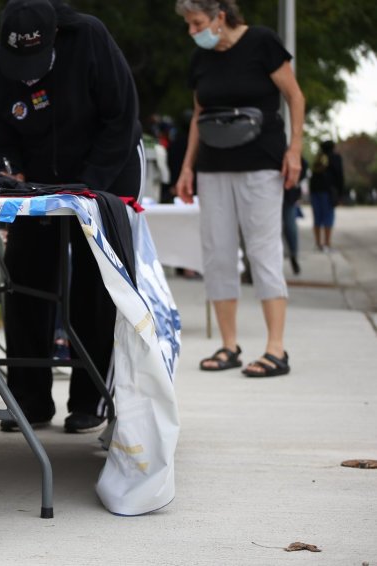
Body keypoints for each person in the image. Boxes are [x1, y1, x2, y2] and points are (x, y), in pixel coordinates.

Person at [0, 0, 145, 433]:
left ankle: (91, 401)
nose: (28, 73)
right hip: (37, 186)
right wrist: (10, 172)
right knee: (27, 281)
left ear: (55, 39)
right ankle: (29, 401)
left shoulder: (89, 38)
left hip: (104, 169)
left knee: (94, 284)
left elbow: (120, 119)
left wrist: (85, 189)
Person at [174, 0, 305, 378]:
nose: (192, 31)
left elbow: (295, 96)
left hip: (261, 163)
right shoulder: (201, 60)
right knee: (217, 253)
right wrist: (187, 167)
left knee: (263, 249)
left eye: (196, 22)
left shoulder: (262, 42)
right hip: (214, 167)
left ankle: (275, 349)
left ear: (219, 17)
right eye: (188, 24)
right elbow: (199, 116)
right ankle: (229, 345)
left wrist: (294, 149)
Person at [309, 140, 345, 251]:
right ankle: (327, 244)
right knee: (328, 217)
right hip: (328, 191)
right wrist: (341, 194)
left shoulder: (319, 157)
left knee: (317, 217)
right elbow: (339, 176)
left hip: (315, 191)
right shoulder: (335, 157)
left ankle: (318, 243)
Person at [282, 156, 308, 275]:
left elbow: (302, 164)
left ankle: (294, 256)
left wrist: (293, 179)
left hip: (287, 196)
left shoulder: (289, 149)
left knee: (290, 227)